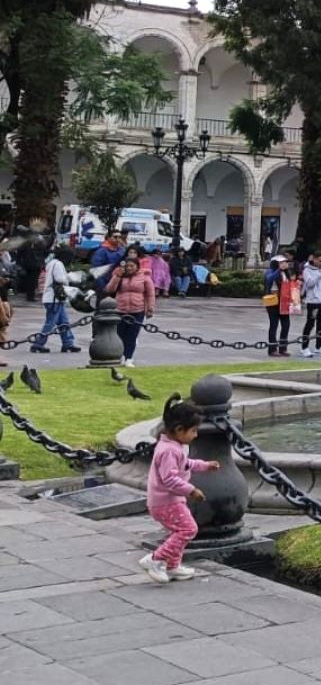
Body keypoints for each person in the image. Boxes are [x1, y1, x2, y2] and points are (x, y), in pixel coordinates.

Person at [139, 394, 219, 584]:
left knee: (180, 531)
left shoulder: (175, 446)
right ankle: (155, 559)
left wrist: (204, 465)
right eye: (193, 430)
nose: (196, 435)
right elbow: (170, 479)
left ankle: (173, 566)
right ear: (179, 429)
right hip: (165, 502)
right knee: (188, 529)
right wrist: (191, 490)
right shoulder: (169, 450)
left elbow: (185, 464)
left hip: (169, 501)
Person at [107, 248, 155, 368]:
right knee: (120, 335)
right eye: (127, 266)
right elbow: (109, 290)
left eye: (132, 266)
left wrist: (150, 308)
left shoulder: (144, 277)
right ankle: (121, 356)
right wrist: (116, 277)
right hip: (121, 309)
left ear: (137, 266)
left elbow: (150, 293)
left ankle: (129, 357)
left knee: (132, 336)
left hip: (137, 310)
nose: (129, 268)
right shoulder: (119, 275)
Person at [31, 238, 80, 354]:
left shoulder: (52, 263)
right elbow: (59, 279)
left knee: (64, 321)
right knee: (51, 322)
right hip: (54, 298)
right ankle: (38, 344)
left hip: (52, 298)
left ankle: (68, 343)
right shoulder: (58, 264)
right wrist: (69, 277)